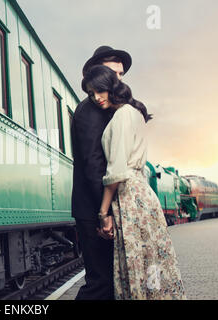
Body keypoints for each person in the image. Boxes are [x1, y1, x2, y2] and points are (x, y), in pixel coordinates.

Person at [82, 64, 187, 299]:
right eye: (91, 94)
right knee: (152, 261)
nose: (96, 98)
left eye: (99, 90)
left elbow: (116, 171)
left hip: (130, 196)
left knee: (135, 263)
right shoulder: (135, 112)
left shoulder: (122, 116)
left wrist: (103, 212)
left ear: (111, 86)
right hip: (142, 193)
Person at [71, 46, 132, 300]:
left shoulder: (108, 109)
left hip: (99, 206)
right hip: (94, 208)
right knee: (100, 284)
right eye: (113, 72)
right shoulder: (90, 111)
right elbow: (94, 166)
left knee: (108, 283)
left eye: (121, 74)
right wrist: (103, 213)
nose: (118, 78)